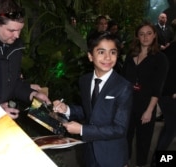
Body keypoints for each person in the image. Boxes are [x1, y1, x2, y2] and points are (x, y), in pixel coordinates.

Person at [53, 32, 133, 167]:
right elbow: (90, 111)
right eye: (101, 52)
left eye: (112, 52)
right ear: (90, 56)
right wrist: (66, 109)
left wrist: (82, 130)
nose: (108, 57)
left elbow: (119, 128)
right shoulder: (85, 80)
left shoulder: (123, 86)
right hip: (89, 153)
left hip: (111, 155)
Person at [0, 0, 50, 119]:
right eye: (12, 30)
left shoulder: (15, 46)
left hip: (4, 115)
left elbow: (13, 82)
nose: (17, 36)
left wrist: (32, 94)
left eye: (19, 30)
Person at [122, 20, 168, 167]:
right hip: (127, 104)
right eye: (141, 34)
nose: (145, 37)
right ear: (137, 37)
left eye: (149, 33)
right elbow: (123, 81)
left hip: (146, 105)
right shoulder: (130, 56)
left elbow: (157, 88)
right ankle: (125, 163)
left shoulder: (160, 58)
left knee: (143, 141)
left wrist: (149, 110)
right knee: (125, 138)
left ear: (154, 35)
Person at [150, 19, 176, 167]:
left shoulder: (170, 49)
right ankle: (159, 160)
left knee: (170, 128)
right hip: (169, 95)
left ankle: (159, 160)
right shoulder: (171, 50)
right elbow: (167, 73)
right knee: (171, 128)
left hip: (167, 94)